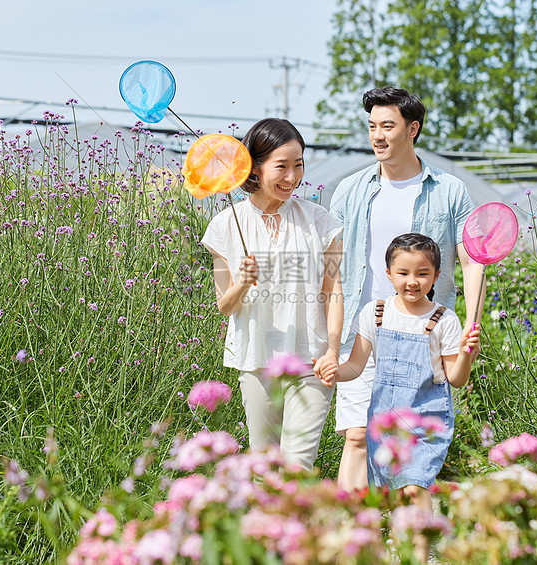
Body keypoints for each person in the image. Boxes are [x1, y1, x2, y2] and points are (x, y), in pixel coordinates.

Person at [328, 86, 484, 491]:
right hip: (363, 331)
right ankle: (351, 539)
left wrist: (471, 323)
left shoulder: (449, 191)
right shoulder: (350, 190)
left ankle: (404, 532)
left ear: (412, 129)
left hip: (423, 336)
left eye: (388, 126)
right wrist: (328, 336)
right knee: (358, 436)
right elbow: (331, 263)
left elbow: (471, 258)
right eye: (372, 127)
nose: (378, 136)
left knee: (411, 445)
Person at [317, 233, 480, 561]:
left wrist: (466, 353)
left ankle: (419, 555)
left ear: (436, 276)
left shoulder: (444, 320)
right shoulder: (375, 312)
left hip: (425, 420)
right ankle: (383, 550)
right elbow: (355, 366)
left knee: (414, 485)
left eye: (422, 273)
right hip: (384, 420)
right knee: (389, 494)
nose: (412, 281)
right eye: (403, 273)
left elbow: (456, 380)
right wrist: (334, 369)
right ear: (388, 273)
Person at [201, 118, 343, 471]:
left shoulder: (320, 222)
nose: (292, 178)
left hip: (311, 361)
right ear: (255, 165)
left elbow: (333, 290)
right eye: (282, 166)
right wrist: (243, 282)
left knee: (297, 467)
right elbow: (225, 305)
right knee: (265, 469)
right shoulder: (224, 226)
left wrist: (333, 351)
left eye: (299, 166)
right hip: (256, 358)